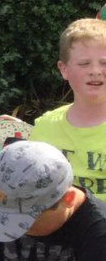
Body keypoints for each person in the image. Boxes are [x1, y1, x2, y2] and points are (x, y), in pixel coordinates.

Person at [30, 18, 106, 199]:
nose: (95, 70)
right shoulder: (45, 127)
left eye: (104, 63)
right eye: (84, 63)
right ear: (63, 69)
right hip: (58, 223)